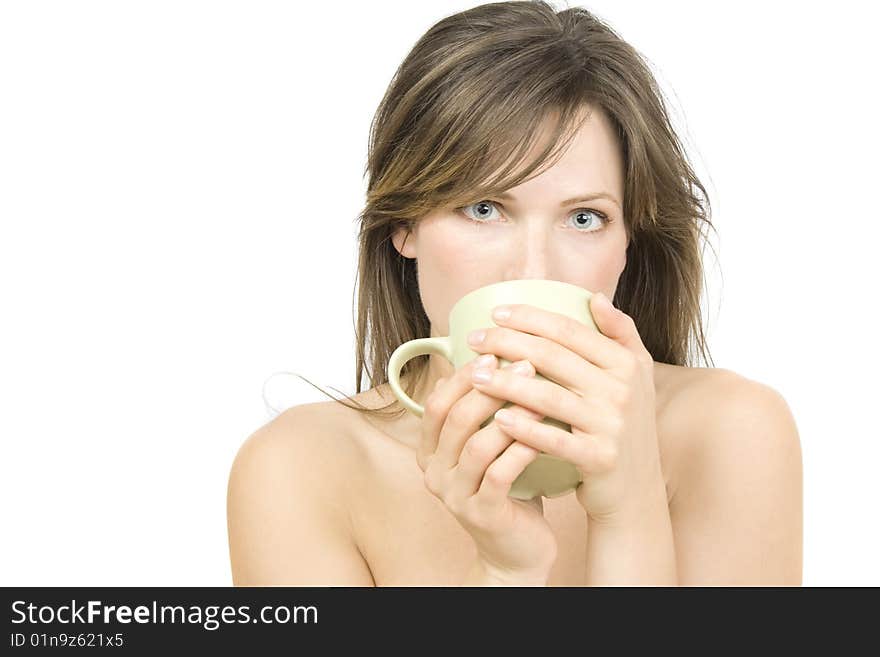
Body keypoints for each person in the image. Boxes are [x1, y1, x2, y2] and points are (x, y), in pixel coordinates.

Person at [227, 0, 802, 586]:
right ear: (404, 226)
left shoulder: (732, 433)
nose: (534, 267)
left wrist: (630, 515)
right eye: (484, 209)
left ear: (630, 240)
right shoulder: (300, 470)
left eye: (583, 219)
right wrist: (507, 573)